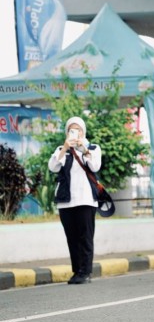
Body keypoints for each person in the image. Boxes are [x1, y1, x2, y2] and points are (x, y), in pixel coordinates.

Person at [49, 116, 102, 285]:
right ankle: (76, 271)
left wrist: (83, 149)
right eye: (72, 129)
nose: (75, 132)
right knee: (71, 237)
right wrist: (65, 148)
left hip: (86, 200)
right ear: (67, 132)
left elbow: (95, 166)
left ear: (83, 131)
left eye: (78, 129)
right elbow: (53, 167)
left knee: (85, 237)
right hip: (66, 201)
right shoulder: (61, 149)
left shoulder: (93, 148)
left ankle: (85, 272)